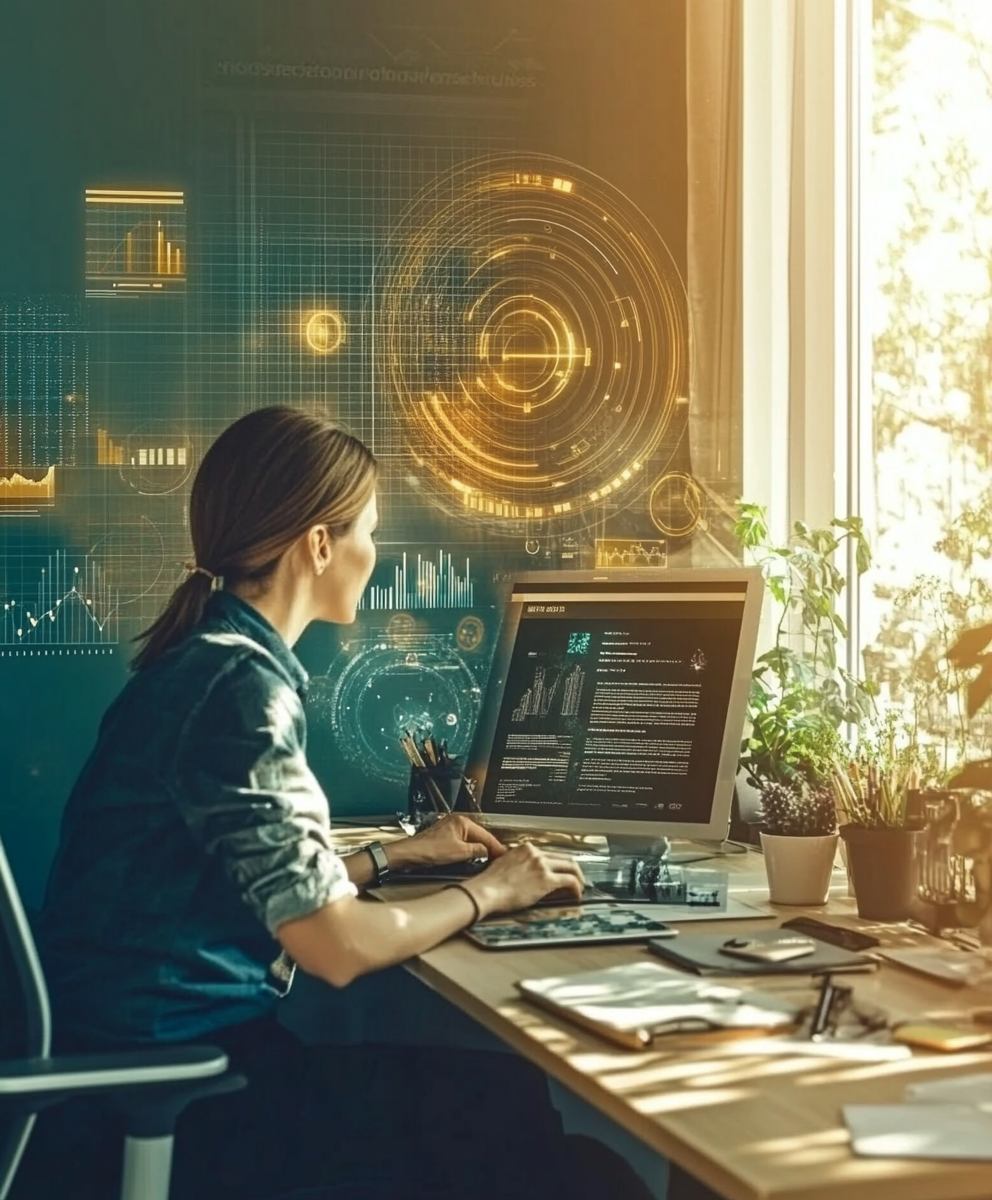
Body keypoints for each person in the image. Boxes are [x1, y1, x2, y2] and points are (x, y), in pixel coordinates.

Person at [20, 407, 661, 1200]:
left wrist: (392, 856)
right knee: (561, 1152)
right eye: (369, 532)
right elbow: (334, 948)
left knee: (526, 1120)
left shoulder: (206, 663)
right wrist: (490, 891)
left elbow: (220, 880)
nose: (375, 554)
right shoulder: (237, 690)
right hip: (184, 1096)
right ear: (320, 545)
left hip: (151, 1065)